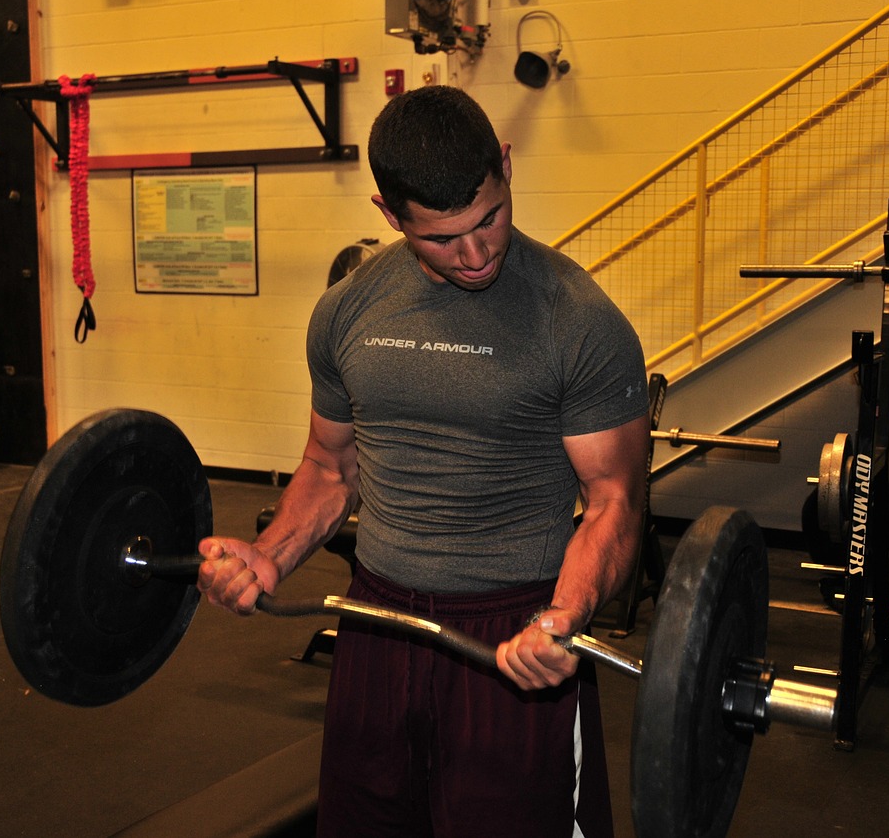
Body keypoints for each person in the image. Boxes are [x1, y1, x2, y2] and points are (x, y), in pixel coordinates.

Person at [197, 85, 649, 838]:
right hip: (377, 625)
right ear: (387, 214)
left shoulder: (579, 322)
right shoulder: (347, 311)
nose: (476, 254)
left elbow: (614, 501)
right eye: (443, 239)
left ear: (504, 166)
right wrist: (268, 558)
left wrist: (564, 618)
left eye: (489, 219)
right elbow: (330, 468)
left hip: (513, 634)